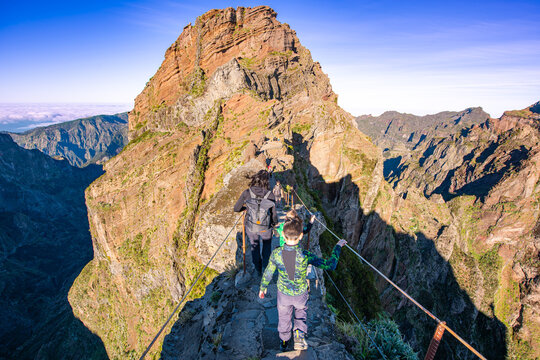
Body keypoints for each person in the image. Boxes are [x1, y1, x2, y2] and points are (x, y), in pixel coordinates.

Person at [259, 218, 347, 351]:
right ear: (301, 236)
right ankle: (299, 337)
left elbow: (268, 272)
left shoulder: (276, 253)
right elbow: (330, 265)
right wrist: (338, 247)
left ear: (283, 235)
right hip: (300, 293)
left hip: (283, 294)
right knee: (300, 314)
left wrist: (263, 288)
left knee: (284, 317)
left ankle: (284, 341)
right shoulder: (305, 255)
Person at [234, 170, 278, 276]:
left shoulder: (247, 192)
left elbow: (236, 208)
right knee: (267, 247)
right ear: (267, 181)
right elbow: (273, 214)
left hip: (250, 225)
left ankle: (258, 269)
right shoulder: (270, 194)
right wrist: (274, 224)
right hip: (265, 226)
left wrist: (247, 208)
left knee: (254, 246)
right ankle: (265, 268)